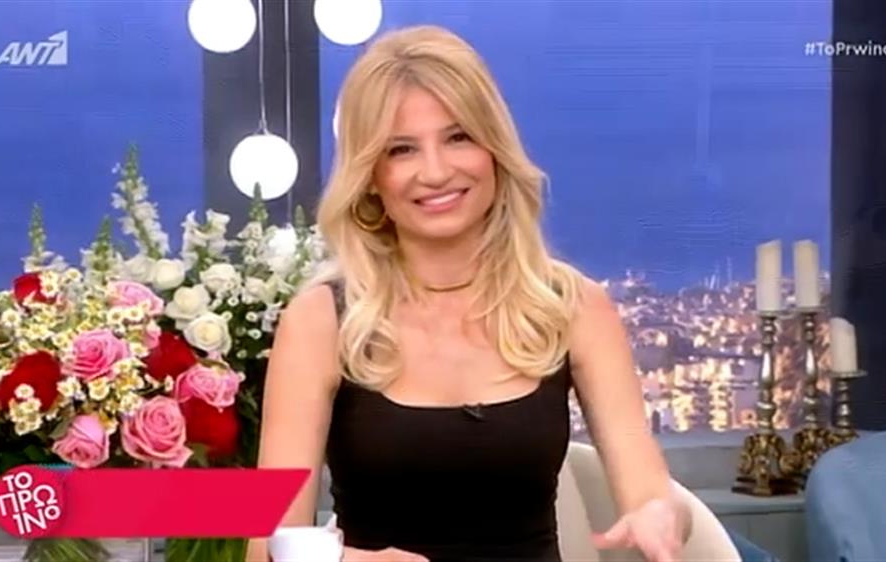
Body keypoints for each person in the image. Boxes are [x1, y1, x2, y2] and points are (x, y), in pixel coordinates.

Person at [247, 25, 691, 562]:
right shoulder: (320, 320)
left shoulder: (573, 306)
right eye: (402, 149)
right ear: (370, 178)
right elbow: (267, 544)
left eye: (458, 137)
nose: (436, 172)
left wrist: (658, 512)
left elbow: (649, 489)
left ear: (494, 150)